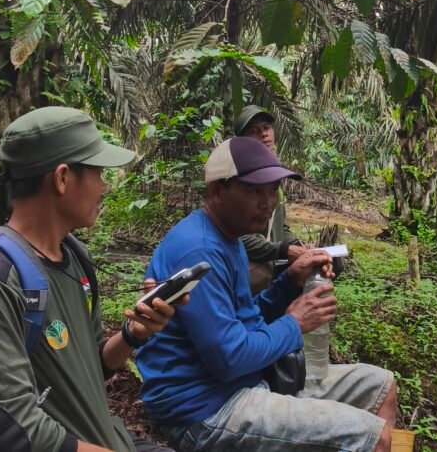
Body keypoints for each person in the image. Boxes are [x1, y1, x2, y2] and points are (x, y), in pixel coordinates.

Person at [0, 106, 182, 452]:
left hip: (106, 438)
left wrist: (133, 334)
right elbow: (7, 427)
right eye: (98, 173)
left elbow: (90, 368)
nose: (104, 186)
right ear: (62, 178)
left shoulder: (75, 259)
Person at [135, 136, 398, 451]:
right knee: (373, 435)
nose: (268, 202)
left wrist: (289, 283)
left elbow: (241, 323)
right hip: (205, 409)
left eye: (273, 190)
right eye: (253, 191)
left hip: (243, 383)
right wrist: (295, 323)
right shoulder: (199, 249)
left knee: (381, 385)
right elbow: (229, 359)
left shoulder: (230, 239)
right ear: (217, 190)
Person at [233, 105, 308, 294]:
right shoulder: (236, 175)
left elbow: (280, 227)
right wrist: (283, 250)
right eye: (254, 131)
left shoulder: (273, 173)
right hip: (246, 260)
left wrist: (299, 246)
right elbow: (238, 237)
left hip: (270, 255)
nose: (264, 134)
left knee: (327, 262)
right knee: (261, 273)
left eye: (266, 128)